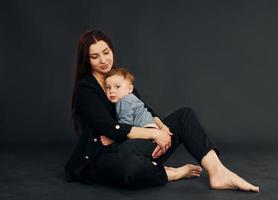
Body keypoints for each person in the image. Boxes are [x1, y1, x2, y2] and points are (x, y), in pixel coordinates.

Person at [65, 29, 259, 192]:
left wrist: (162, 127)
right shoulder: (86, 88)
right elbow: (108, 127)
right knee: (130, 169)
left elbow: (142, 108)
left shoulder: (118, 78)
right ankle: (170, 172)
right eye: (95, 56)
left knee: (184, 116)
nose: (103, 60)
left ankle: (217, 171)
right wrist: (153, 134)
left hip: (134, 144)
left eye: (106, 52)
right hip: (101, 155)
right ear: (86, 59)